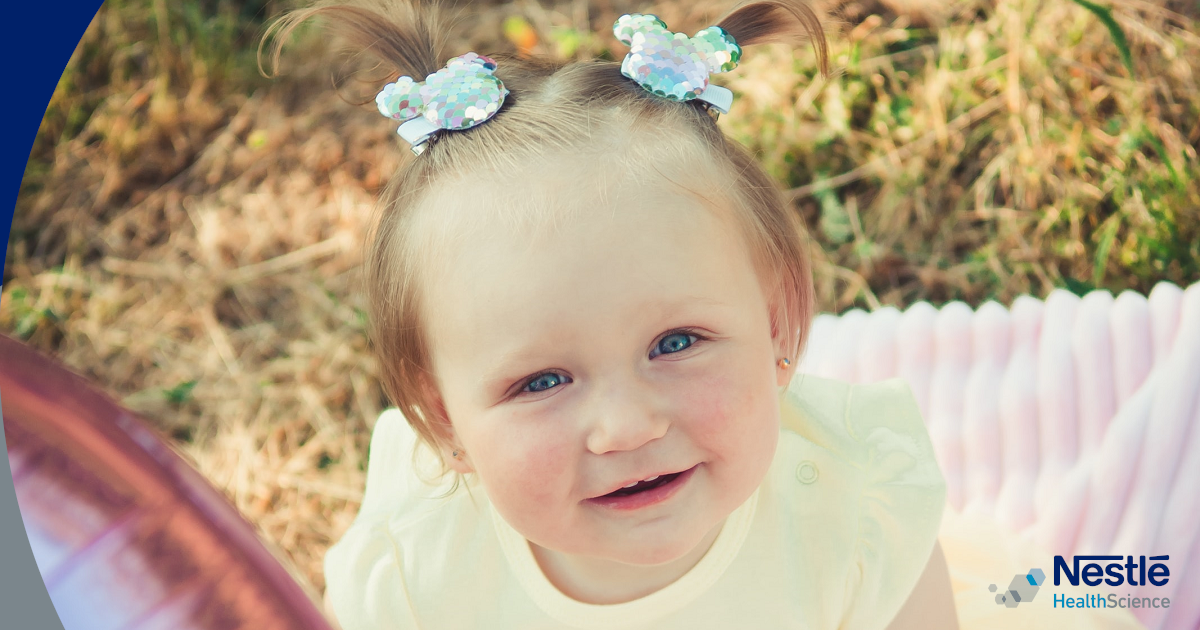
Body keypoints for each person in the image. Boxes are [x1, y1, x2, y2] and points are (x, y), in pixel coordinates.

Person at [262, 1, 960, 627]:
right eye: (541, 382)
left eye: (676, 342)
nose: (628, 428)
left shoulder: (855, 522)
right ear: (445, 420)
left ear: (775, 323)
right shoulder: (417, 580)